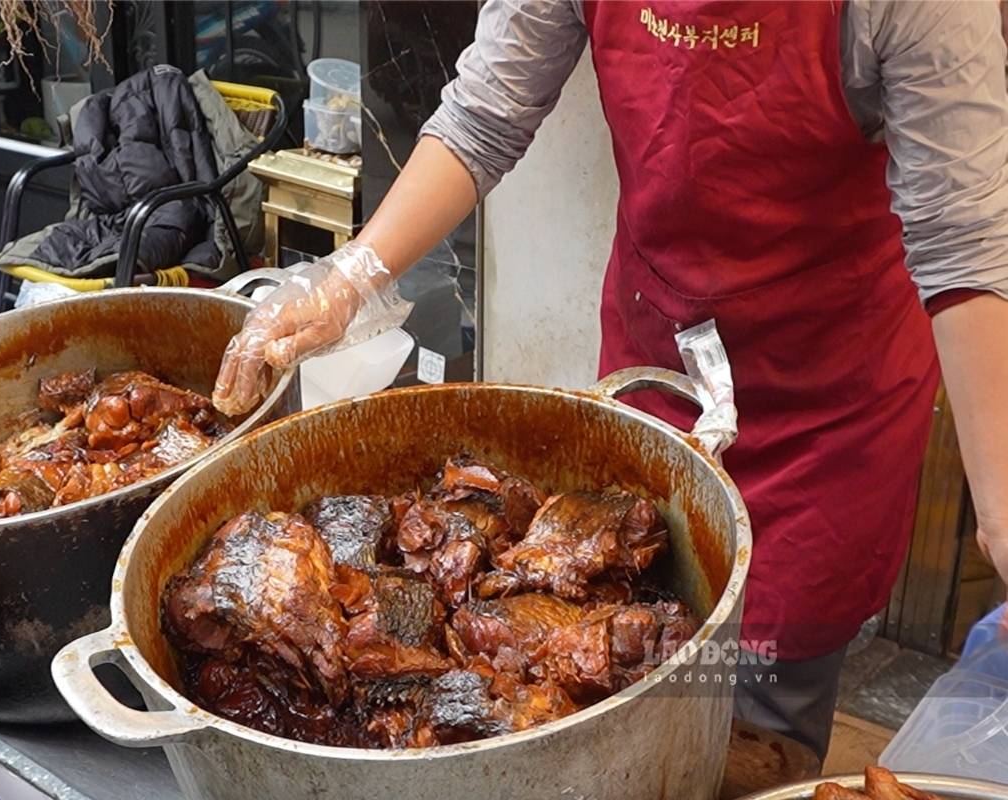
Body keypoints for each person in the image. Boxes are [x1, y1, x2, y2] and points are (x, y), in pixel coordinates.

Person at [213, 0, 1008, 760]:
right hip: (660, 347)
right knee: (608, 638)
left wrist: (999, 505)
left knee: (767, 694)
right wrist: (348, 277)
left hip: (827, 393)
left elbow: (965, 241)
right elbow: (485, 113)